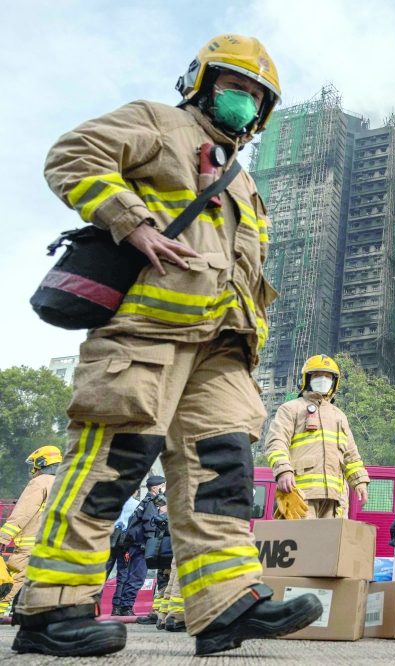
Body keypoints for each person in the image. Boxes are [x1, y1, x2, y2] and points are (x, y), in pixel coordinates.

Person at [11, 35, 323, 657]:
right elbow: (72, 154)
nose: (246, 102)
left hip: (223, 349)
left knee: (224, 475)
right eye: (236, 87)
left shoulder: (243, 181)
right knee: (111, 466)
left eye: (257, 96)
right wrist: (132, 220)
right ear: (202, 83)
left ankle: (226, 604)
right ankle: (52, 608)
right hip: (147, 334)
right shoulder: (160, 124)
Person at [263, 355, 369, 518]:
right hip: (300, 495)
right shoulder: (291, 409)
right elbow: (276, 442)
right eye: (317, 375)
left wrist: (359, 482)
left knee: (331, 543)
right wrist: (283, 470)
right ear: (307, 379)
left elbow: (351, 455)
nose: (323, 380)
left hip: (335, 499)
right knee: (302, 542)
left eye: (327, 377)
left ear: (334, 382)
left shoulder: (339, 416)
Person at [0, 447, 61, 617]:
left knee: (13, 579)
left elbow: (23, 513)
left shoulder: (40, 482)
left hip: (33, 543)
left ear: (41, 463)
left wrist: (3, 538)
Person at [111, 476, 164, 616]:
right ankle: (126, 607)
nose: (164, 489)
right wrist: (152, 544)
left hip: (135, 545)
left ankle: (123, 606)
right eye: (162, 486)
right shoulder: (151, 503)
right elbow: (150, 524)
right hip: (142, 546)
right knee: (137, 577)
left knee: (130, 576)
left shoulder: (144, 502)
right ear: (154, 488)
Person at [107, 489, 142, 581]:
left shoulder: (114, 503)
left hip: (112, 535)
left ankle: (96, 594)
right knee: (123, 570)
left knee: (105, 568)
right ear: (135, 492)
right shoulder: (137, 504)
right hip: (125, 537)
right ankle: (119, 595)